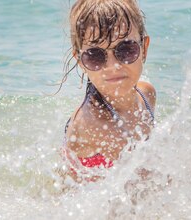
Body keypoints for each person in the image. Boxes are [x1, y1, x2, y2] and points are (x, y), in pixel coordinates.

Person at [59, 0, 156, 183]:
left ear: (144, 48)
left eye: (126, 49)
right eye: (95, 55)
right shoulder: (92, 123)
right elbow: (147, 186)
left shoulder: (147, 94)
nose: (113, 66)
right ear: (80, 60)